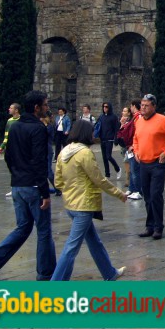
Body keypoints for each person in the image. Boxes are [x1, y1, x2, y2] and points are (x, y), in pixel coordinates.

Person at [0, 90, 56, 281]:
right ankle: (46, 274)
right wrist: (45, 192)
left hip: (18, 185)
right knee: (44, 230)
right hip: (34, 187)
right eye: (45, 105)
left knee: (23, 227)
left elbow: (8, 156)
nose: (47, 108)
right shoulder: (38, 129)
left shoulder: (14, 127)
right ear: (37, 107)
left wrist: (16, 175)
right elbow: (40, 162)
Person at [51, 120, 127, 281]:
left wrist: (70, 189)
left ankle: (109, 273)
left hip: (70, 204)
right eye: (92, 132)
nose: (93, 135)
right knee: (71, 248)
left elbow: (58, 182)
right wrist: (119, 193)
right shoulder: (84, 153)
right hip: (84, 205)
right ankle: (55, 285)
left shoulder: (63, 152)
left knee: (94, 240)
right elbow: (99, 179)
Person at [132, 94, 165, 240]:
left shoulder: (163, 120)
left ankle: (158, 226)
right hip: (143, 163)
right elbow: (136, 138)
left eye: (146, 105)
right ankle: (150, 225)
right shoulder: (139, 121)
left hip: (157, 163)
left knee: (155, 194)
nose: (143, 108)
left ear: (154, 106)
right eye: (142, 105)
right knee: (147, 195)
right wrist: (136, 150)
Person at [118, 99, 143, 200]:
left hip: (134, 147)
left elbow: (137, 132)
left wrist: (133, 145)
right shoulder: (134, 118)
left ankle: (137, 190)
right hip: (131, 146)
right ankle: (132, 188)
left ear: (133, 106)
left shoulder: (138, 117)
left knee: (134, 169)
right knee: (132, 169)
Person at [97, 102, 121, 179]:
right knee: (104, 157)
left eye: (106, 107)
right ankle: (107, 174)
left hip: (110, 139)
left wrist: (116, 139)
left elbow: (116, 129)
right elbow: (98, 126)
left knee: (108, 156)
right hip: (102, 139)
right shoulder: (101, 117)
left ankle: (117, 168)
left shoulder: (113, 117)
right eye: (104, 106)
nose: (105, 108)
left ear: (109, 107)